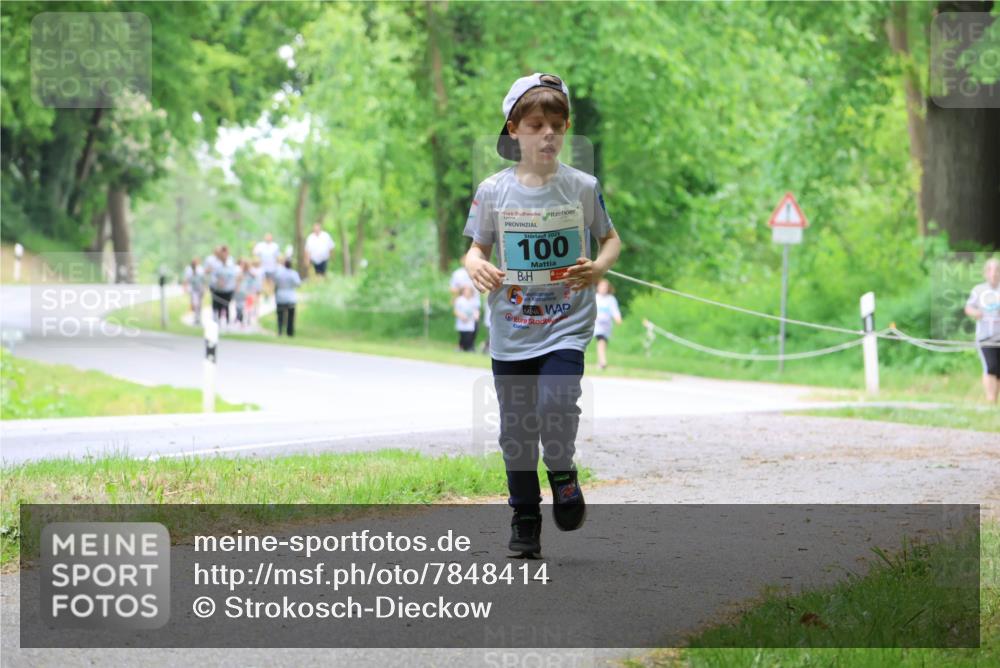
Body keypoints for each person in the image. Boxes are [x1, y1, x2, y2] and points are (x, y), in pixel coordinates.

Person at [463, 73, 621, 556]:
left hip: (565, 325)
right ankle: (525, 518)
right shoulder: (493, 191)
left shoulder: (582, 186)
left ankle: (562, 471)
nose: (548, 134)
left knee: (556, 405)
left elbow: (610, 240)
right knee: (515, 431)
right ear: (514, 130)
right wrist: (476, 265)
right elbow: (475, 249)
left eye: (557, 124)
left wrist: (598, 268)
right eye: (536, 125)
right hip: (512, 330)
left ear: (567, 127)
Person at [965, 257, 1000, 404]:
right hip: (985, 336)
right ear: (985, 273)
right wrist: (976, 313)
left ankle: (994, 401)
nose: (994, 273)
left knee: (998, 369)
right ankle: (990, 399)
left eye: (997, 270)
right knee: (990, 366)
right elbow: (968, 307)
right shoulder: (978, 290)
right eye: (990, 270)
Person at [594, 279, 623, 370]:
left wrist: (618, 318)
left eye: (605, 287)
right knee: (601, 340)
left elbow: (615, 311)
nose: (603, 288)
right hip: (597, 325)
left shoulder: (611, 299)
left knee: (604, 342)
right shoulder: (594, 297)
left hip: (607, 326)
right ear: (598, 287)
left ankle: (600, 363)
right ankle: (603, 362)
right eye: (601, 286)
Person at [274, 257, 302, 337]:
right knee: (290, 315)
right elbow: (298, 284)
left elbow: (276, 283)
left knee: (280, 315)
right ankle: (289, 332)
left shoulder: (279, 273)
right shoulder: (293, 273)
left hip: (280, 296)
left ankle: (280, 330)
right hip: (290, 296)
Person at [210, 245, 237, 325]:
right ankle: (217, 322)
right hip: (218, 289)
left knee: (226, 305)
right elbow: (213, 276)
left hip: (228, 289)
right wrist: (217, 281)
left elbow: (234, 275)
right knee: (217, 306)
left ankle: (227, 322)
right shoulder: (215, 263)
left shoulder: (231, 262)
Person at [253, 232, 281, 301]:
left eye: (269, 237)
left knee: (271, 282)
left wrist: (278, 265)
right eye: (266, 237)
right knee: (263, 282)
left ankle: (270, 296)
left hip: (272, 267)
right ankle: (264, 295)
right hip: (263, 267)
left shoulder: (275, 246)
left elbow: (277, 257)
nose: (268, 238)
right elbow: (255, 254)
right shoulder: (260, 245)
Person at [454, 284, 480, 351]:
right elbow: (456, 311)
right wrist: (461, 316)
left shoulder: (473, 300)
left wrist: (476, 316)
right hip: (462, 321)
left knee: (470, 335)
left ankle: (469, 347)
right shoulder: (460, 300)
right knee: (463, 335)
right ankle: (461, 347)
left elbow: (476, 310)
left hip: (470, 322)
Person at [182, 257, 206, 325]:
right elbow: (186, 279)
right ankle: (196, 317)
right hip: (193, 290)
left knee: (199, 304)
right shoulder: (188, 270)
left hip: (200, 289)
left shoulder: (200, 269)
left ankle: (198, 318)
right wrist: (185, 287)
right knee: (195, 304)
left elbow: (203, 279)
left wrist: (204, 288)